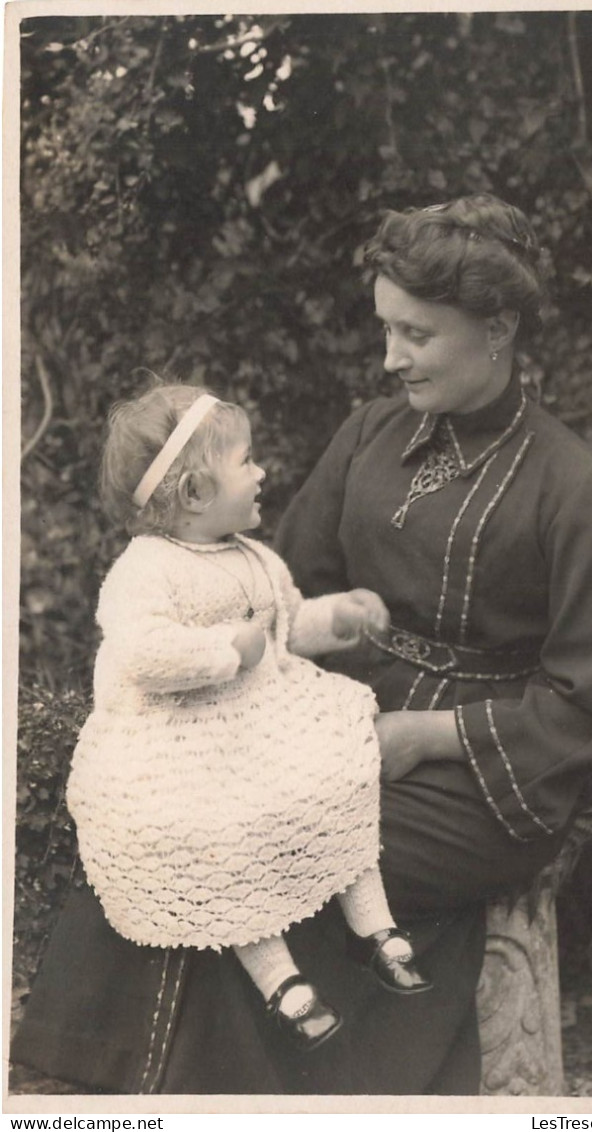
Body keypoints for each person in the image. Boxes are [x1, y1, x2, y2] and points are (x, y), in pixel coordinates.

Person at [12, 193, 592, 1095]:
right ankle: (138, 1084)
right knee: (171, 822)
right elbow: (281, 587)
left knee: (274, 853)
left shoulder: (576, 489)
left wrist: (419, 737)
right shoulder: (371, 433)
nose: (391, 358)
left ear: (498, 327)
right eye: (386, 329)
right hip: (333, 722)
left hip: (490, 775)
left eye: (417, 335)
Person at [64, 381, 433, 1055]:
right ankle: (278, 976)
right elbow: (142, 653)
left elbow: (285, 625)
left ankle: (373, 929)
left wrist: (337, 618)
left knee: (336, 778)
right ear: (194, 493)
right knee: (223, 832)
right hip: (178, 738)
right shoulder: (145, 570)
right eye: (246, 461)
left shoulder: (253, 555)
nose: (262, 472)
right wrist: (220, 652)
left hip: (262, 717)